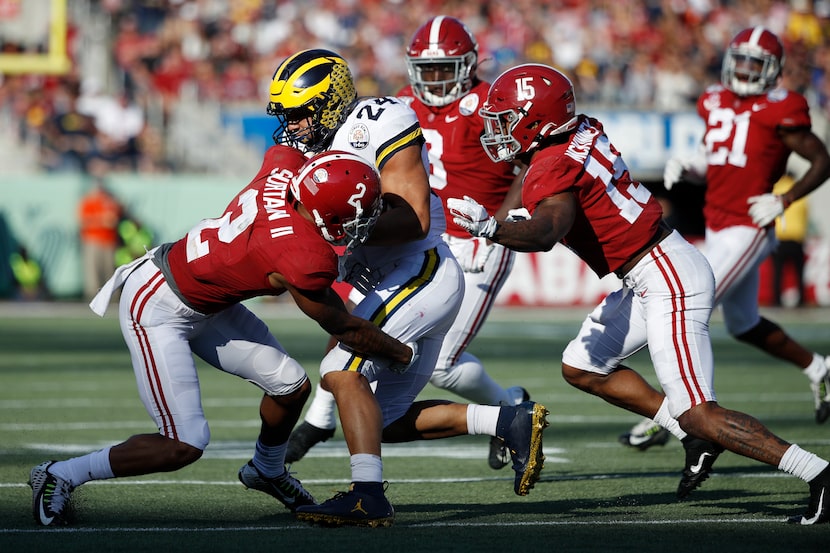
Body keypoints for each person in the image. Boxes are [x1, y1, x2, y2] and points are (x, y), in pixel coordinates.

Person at [448, 63, 830, 524]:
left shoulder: (551, 165)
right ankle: (690, 435)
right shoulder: (583, 129)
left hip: (665, 273)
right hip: (651, 265)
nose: (498, 130)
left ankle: (817, 473)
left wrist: (491, 229)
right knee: (583, 366)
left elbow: (549, 229)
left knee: (699, 412)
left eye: (506, 118)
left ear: (537, 121)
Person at [28, 146, 416, 527]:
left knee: (290, 385)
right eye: (353, 217)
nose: (360, 223)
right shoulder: (302, 255)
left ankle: (266, 470)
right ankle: (61, 473)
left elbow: (287, 149)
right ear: (323, 214)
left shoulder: (283, 169)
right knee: (184, 442)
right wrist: (402, 354)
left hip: (208, 299)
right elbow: (344, 327)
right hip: (158, 304)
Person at [265, 48, 549, 528]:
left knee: (339, 369)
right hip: (388, 278)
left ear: (330, 102)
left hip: (419, 269)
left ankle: (367, 496)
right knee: (384, 420)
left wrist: (339, 224)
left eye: (300, 114)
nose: (292, 126)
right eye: (287, 116)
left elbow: (415, 217)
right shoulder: (303, 149)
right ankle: (508, 420)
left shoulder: (379, 120)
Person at [622, 26, 830, 450]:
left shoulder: (782, 107)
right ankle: (819, 369)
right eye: (742, 59)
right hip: (719, 222)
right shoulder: (714, 99)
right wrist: (691, 166)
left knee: (683, 308)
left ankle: (682, 415)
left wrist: (785, 197)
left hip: (748, 225)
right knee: (743, 323)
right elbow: (724, 160)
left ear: (772, 69)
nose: (746, 69)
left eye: (757, 62)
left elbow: (822, 159)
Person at [77, 178, 124, 302]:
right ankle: (92, 295)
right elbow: (83, 221)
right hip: (93, 240)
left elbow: (114, 218)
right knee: (93, 269)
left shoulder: (110, 202)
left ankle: (111, 295)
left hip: (109, 240)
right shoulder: (88, 202)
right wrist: (101, 220)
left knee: (109, 268)